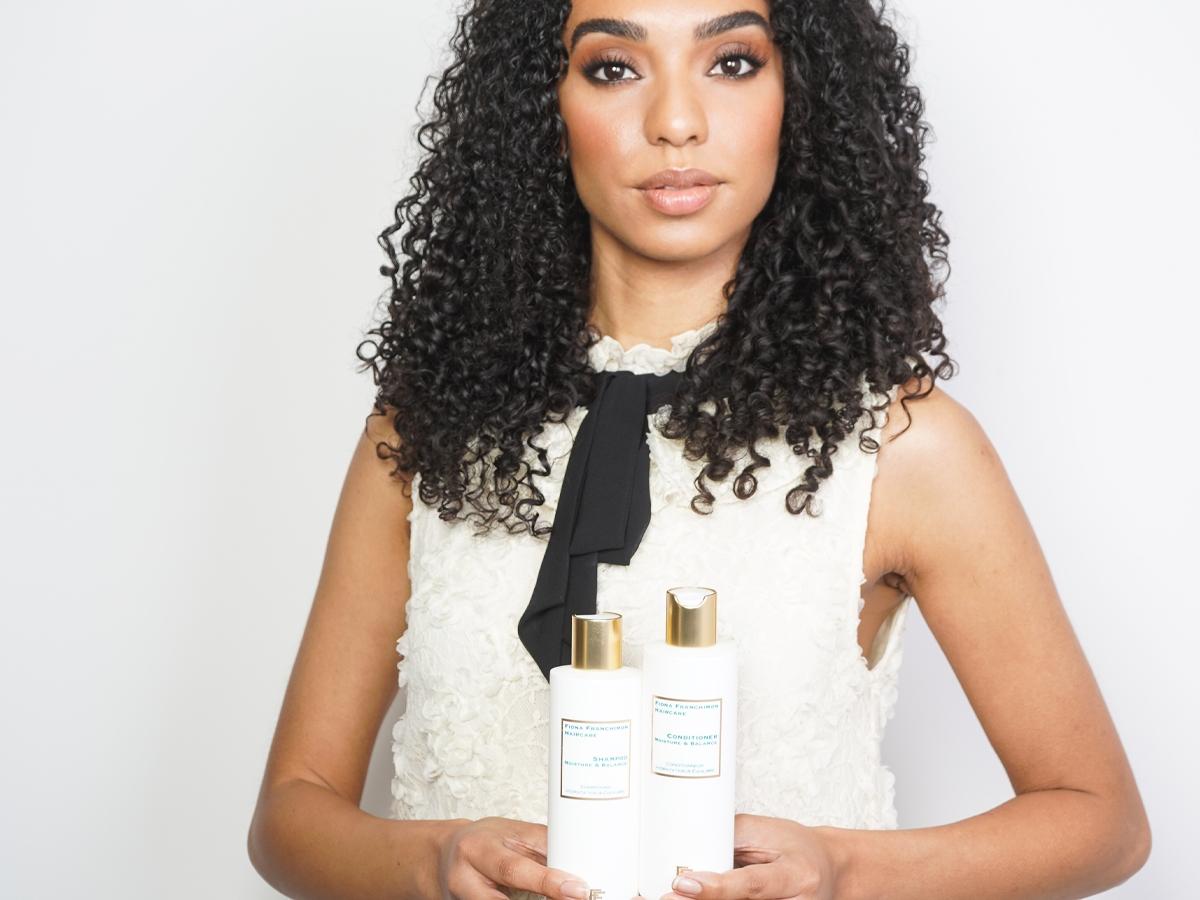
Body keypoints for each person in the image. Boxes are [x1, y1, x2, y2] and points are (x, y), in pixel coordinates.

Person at [248, 0, 1151, 897]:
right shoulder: (427, 431)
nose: (676, 122)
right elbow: (291, 813)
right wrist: (432, 862)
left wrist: (843, 870)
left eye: (732, 62)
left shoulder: (902, 443)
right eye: (613, 68)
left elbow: (1101, 820)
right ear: (540, 106)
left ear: (801, 96)